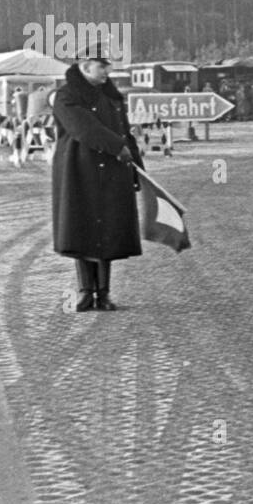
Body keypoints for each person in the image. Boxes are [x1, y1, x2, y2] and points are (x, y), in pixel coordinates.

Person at [51, 45, 145, 311]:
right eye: (102, 65)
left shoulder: (112, 97)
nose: (107, 71)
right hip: (78, 173)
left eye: (108, 66)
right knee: (82, 229)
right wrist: (118, 148)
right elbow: (84, 128)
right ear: (84, 65)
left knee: (108, 230)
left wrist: (137, 168)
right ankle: (85, 290)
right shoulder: (66, 96)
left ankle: (103, 292)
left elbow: (126, 133)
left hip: (112, 172)